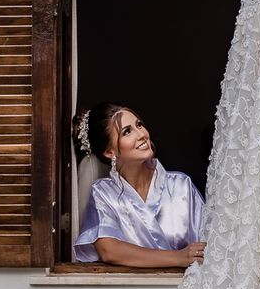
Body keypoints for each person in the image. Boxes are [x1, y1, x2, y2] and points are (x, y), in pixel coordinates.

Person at [72, 102, 206, 267]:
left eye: (139, 125)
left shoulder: (181, 185)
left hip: (188, 287)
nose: (142, 134)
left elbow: (211, 243)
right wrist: (178, 257)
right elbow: (109, 250)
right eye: (127, 132)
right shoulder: (103, 192)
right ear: (109, 152)